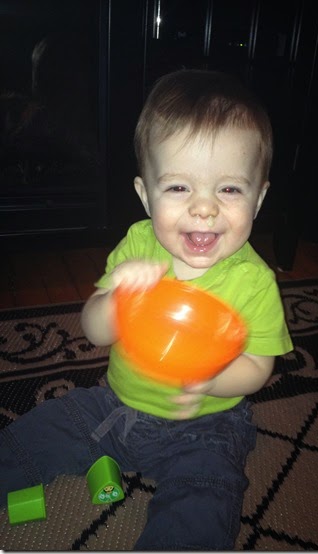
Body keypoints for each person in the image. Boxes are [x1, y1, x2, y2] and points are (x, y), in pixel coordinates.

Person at [0, 69, 293, 550]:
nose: (204, 208)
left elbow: (259, 366)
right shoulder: (138, 247)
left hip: (206, 424)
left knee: (206, 494)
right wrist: (116, 296)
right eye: (178, 188)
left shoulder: (254, 281)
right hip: (116, 403)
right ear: (145, 194)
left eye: (229, 189)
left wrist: (211, 380)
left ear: (258, 198)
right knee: (44, 428)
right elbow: (95, 331)